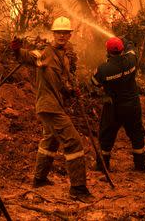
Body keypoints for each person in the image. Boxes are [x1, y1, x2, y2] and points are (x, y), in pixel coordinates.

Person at [11, 16, 93, 203]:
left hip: (56, 104)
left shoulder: (63, 57)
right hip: (49, 106)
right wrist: (16, 49)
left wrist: (72, 91)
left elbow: (62, 82)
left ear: (70, 35)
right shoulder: (44, 53)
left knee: (51, 141)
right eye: (58, 32)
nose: (62, 36)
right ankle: (78, 189)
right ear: (53, 33)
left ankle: (39, 179)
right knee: (73, 142)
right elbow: (26, 56)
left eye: (65, 33)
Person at [90, 36, 145, 172]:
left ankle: (102, 166)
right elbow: (131, 47)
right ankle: (141, 166)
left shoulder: (103, 69)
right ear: (122, 49)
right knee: (136, 134)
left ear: (108, 52)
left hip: (113, 108)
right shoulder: (132, 60)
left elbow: (94, 83)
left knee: (106, 135)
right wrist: (124, 40)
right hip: (132, 105)